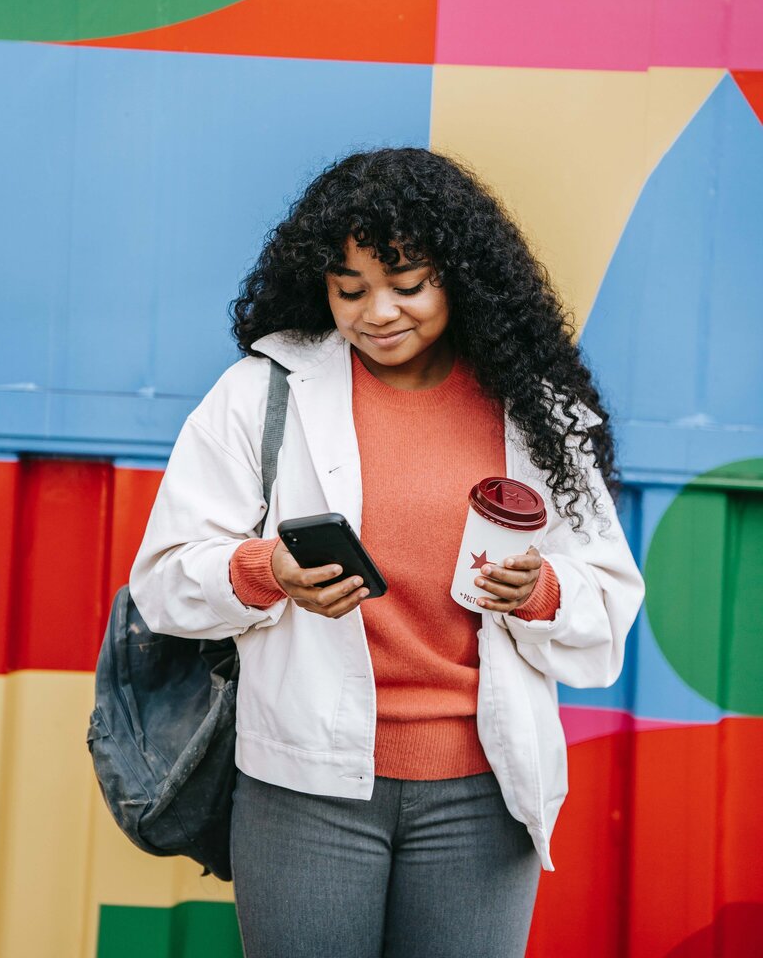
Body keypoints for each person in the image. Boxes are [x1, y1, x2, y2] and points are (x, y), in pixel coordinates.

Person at [130, 147, 645, 958]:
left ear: (462, 278)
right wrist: (268, 573)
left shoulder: (536, 410)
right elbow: (162, 582)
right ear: (318, 286)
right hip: (306, 789)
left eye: (408, 285)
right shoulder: (261, 393)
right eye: (350, 290)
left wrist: (542, 591)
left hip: (483, 793)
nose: (379, 312)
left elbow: (608, 604)